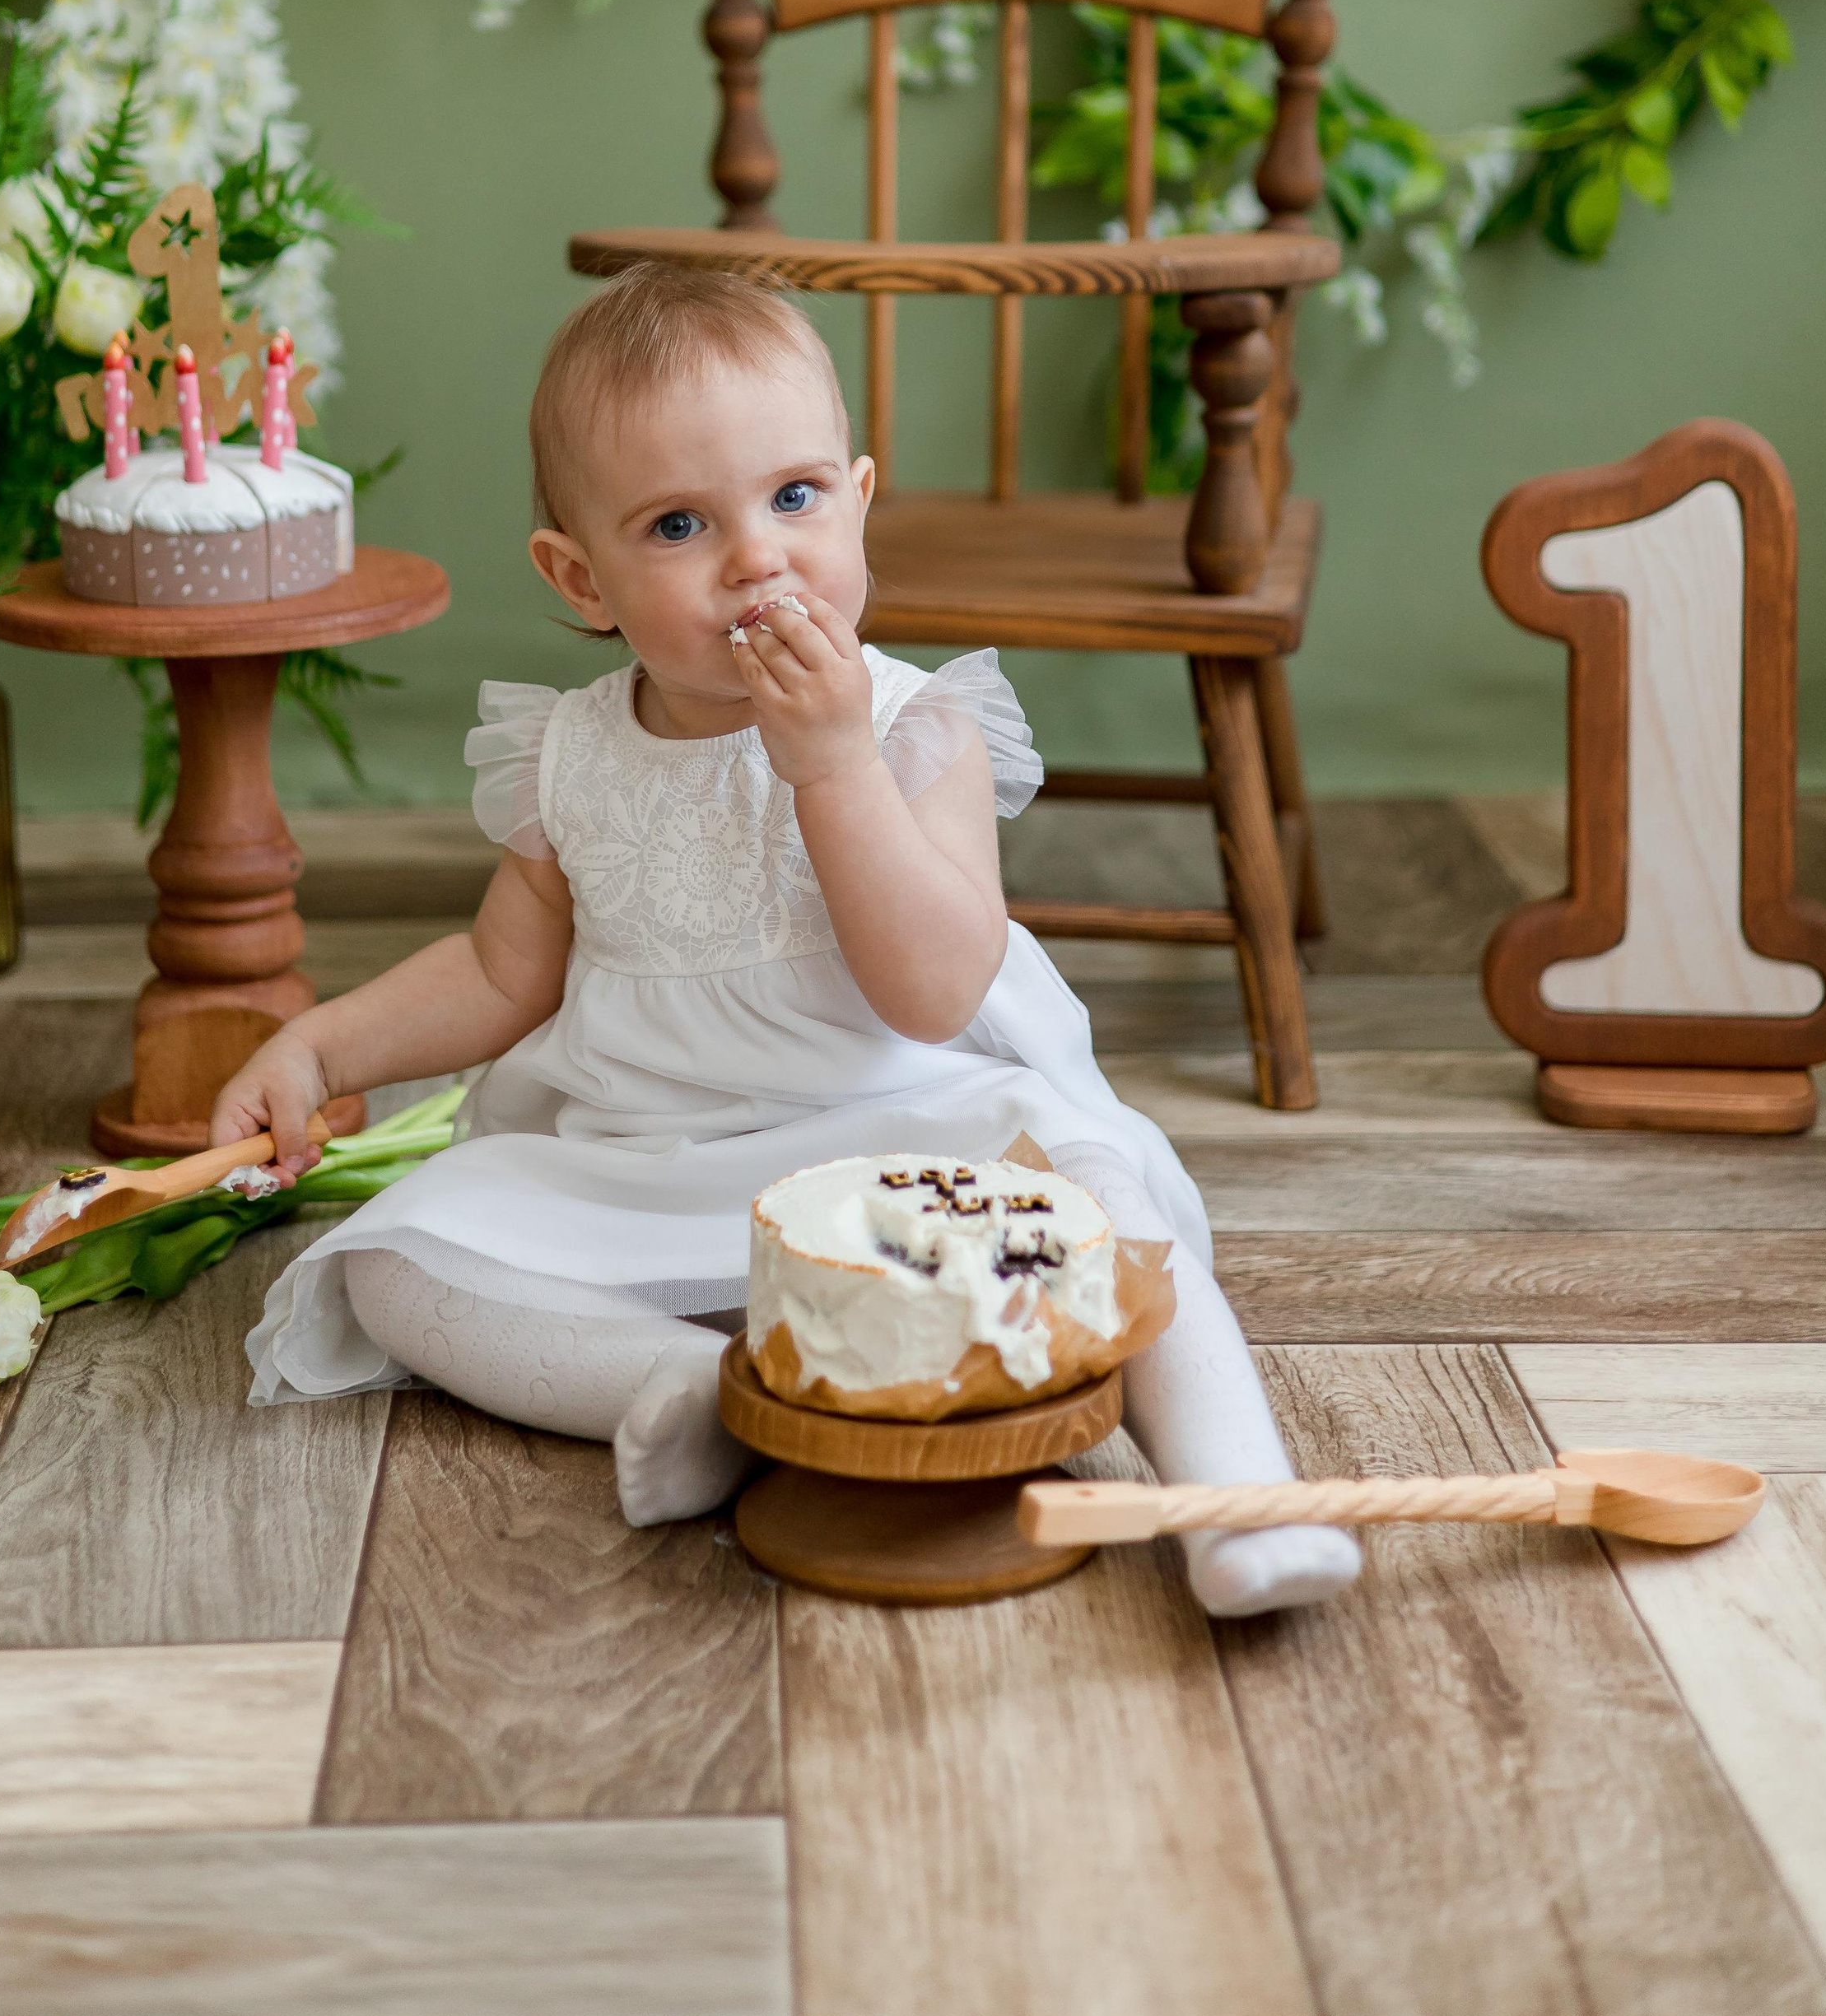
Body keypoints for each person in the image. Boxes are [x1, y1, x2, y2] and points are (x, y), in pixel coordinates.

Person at [225, 263, 1358, 1618]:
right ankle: (683, 1385)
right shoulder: (572, 752)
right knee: (400, 1262)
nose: (757, 555)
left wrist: (830, 770)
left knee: (1109, 1207)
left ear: (862, 502)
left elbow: (935, 992)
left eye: (796, 498)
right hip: (654, 1163)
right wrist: (318, 1043)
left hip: (920, 1150)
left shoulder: (911, 728)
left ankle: (1237, 1502)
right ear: (580, 578)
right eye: (681, 524)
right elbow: (497, 974)